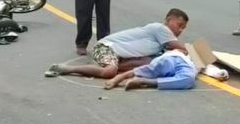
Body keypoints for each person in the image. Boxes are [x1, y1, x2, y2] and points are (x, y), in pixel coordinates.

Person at [47, 9, 189, 80]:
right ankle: (66, 69)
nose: (180, 30)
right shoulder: (161, 29)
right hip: (106, 47)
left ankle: (107, 65)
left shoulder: (162, 42)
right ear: (168, 19)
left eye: (183, 28)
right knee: (109, 72)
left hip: (120, 54)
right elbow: (181, 48)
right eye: (179, 25)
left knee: (150, 61)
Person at [103, 49, 197, 91]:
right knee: (188, 79)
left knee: (152, 69)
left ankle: (137, 79)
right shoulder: (187, 56)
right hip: (178, 60)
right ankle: (126, 77)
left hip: (172, 60)